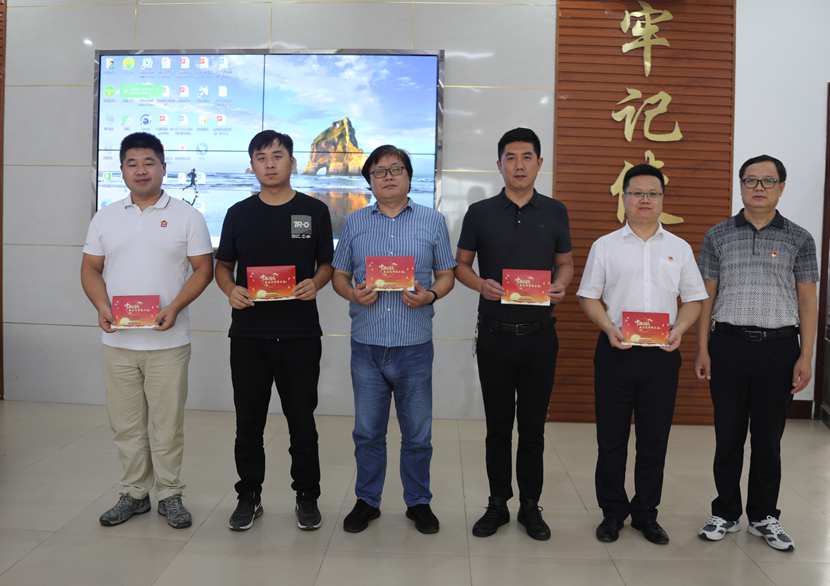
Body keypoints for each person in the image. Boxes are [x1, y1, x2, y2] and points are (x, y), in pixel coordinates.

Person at [81, 132, 214, 529]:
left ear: (163, 168)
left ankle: (170, 494)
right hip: (118, 341)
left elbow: (203, 269)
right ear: (122, 170)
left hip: (168, 342)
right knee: (126, 424)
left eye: (148, 162)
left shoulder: (187, 216)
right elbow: (90, 269)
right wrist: (102, 306)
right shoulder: (105, 217)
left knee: (166, 425)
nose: (141, 170)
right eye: (132, 163)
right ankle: (134, 493)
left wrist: (175, 307)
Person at [577, 163, 706, 545]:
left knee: (654, 439)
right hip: (616, 350)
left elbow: (694, 299)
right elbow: (588, 296)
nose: (644, 200)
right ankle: (612, 513)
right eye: (637, 193)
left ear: (662, 199)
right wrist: (608, 327)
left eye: (652, 194)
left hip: (662, 355)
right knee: (611, 439)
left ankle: (646, 514)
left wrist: (680, 329)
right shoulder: (605, 246)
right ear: (624, 198)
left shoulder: (679, 248)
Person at [455, 128, 573, 541]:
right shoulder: (480, 212)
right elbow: (461, 265)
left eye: (527, 157)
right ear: (499, 164)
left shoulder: (555, 211)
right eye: (510, 157)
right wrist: (480, 284)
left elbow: (565, 264)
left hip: (540, 335)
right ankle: (497, 504)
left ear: (539, 163)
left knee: (533, 428)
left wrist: (561, 285)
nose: (519, 165)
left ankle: (530, 506)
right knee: (498, 426)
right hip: (495, 335)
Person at [695, 155, 818, 552]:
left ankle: (764, 516)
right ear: (741, 185)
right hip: (727, 345)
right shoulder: (717, 235)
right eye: (751, 180)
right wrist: (702, 348)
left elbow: (808, 300)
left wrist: (806, 356)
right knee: (727, 434)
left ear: (781, 187)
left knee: (768, 438)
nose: (759, 187)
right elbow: (706, 297)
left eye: (768, 181)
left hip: (779, 349)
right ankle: (726, 512)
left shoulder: (800, 238)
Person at [331, 144, 455, 534]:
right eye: (379, 171)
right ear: (369, 181)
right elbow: (339, 275)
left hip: (414, 345)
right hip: (367, 345)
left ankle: (418, 502)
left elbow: (447, 274)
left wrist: (430, 295)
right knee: (368, 431)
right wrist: (353, 294)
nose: (387, 176)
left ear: (409, 177)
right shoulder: (354, 222)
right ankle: (367, 501)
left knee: (418, 433)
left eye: (395, 169)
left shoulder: (432, 221)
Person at [214, 130, 334, 532]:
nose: (269, 163)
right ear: (252, 165)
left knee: (302, 421)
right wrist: (230, 290)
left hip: (300, 335)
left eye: (277, 156)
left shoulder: (314, 211)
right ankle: (248, 496)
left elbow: (326, 264)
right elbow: (223, 265)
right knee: (248, 422)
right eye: (261, 157)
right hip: (249, 335)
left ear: (292, 162)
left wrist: (316, 282)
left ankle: (307, 497)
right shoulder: (238, 213)